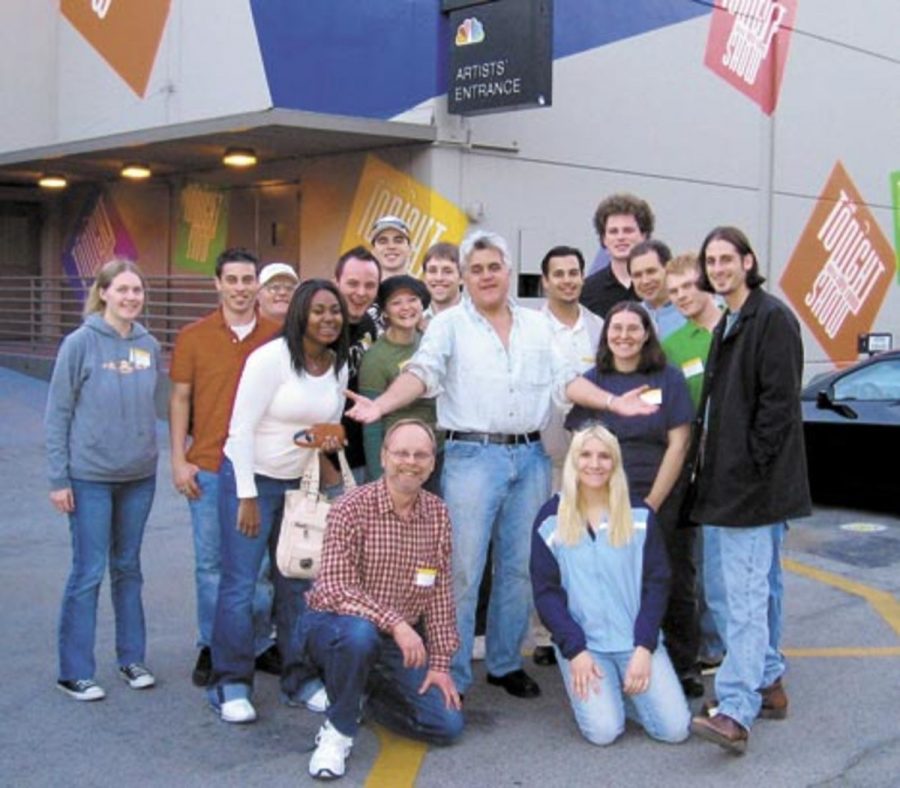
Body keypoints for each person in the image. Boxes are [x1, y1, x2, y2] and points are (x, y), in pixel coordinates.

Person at [346, 230, 658, 701]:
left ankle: (505, 662)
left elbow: (567, 381)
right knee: (464, 569)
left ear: (509, 272)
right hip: (473, 457)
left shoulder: (538, 326)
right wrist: (380, 406)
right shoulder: (449, 325)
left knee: (520, 569)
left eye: (494, 267)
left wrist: (614, 402)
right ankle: (450, 668)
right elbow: (422, 373)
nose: (486, 276)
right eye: (476, 269)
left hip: (531, 456)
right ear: (466, 278)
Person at [688, 227, 811, 754]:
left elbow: (778, 407)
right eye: (710, 261)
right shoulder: (730, 321)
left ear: (748, 261)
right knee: (750, 590)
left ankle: (736, 710)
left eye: (725, 259)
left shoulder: (772, 318)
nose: (718, 268)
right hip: (724, 484)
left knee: (742, 598)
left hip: (750, 489)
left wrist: (750, 472)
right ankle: (769, 681)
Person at [207, 279, 350, 724]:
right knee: (241, 586)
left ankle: (301, 680)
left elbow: (318, 434)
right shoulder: (270, 359)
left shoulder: (338, 364)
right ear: (300, 314)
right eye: (318, 310)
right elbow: (240, 430)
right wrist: (246, 497)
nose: (328, 319)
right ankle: (229, 682)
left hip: (297, 486)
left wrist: (331, 479)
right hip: (249, 480)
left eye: (335, 311)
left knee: (298, 586)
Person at [300, 419, 464, 780]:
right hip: (335, 625)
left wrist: (439, 664)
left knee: (447, 725)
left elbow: (439, 594)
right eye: (401, 453)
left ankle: (362, 693)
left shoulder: (437, 515)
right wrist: (397, 623)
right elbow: (336, 587)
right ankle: (338, 731)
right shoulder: (351, 507)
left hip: (394, 641)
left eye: (421, 454)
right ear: (383, 457)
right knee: (360, 635)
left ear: (432, 464)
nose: (411, 461)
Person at [566, 301, 700, 697]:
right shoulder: (595, 381)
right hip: (605, 499)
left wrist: (652, 504)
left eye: (632, 328)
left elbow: (680, 443)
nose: (623, 336)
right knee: (613, 581)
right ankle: (617, 659)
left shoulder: (669, 379)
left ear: (646, 334)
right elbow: (581, 443)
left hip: (661, 494)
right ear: (605, 335)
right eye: (615, 328)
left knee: (672, 578)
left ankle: (683, 664)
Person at [530, 426, 690, 746]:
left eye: (604, 456)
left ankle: (628, 687)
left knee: (675, 730)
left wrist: (644, 647)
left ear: (615, 464)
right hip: (585, 647)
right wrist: (574, 650)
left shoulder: (640, 515)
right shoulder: (550, 517)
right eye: (585, 455)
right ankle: (611, 691)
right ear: (573, 461)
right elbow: (546, 593)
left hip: (635, 642)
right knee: (603, 732)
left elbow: (657, 583)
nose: (594, 464)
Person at [45, 259, 160, 701]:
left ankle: (131, 659)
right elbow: (57, 413)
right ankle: (74, 670)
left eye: (137, 290)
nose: (132, 297)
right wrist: (59, 478)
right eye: (123, 290)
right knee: (89, 572)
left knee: (128, 569)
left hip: (138, 477)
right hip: (89, 477)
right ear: (105, 292)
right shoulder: (79, 344)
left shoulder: (148, 344)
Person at [169, 247, 281, 688]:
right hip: (210, 467)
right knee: (212, 565)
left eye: (247, 279)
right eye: (231, 280)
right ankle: (213, 646)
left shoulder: (276, 336)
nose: (240, 288)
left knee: (257, 568)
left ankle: (256, 643)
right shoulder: (194, 336)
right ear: (217, 284)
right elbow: (179, 399)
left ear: (258, 285)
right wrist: (179, 459)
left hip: (261, 469)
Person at [534, 244, 604, 667]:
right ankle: (544, 633)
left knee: (587, 543)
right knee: (548, 544)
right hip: (546, 452)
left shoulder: (598, 327)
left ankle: (584, 625)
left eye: (573, 272)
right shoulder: (531, 328)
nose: (567, 280)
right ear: (545, 281)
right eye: (557, 273)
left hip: (591, 458)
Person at [662, 252, 725, 670]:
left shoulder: (738, 329)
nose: (683, 296)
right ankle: (703, 642)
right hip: (690, 466)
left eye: (689, 286)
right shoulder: (673, 344)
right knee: (695, 562)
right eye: (674, 291)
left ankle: (726, 646)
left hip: (733, 466)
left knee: (728, 567)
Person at [358, 275, 437, 484]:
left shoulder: (430, 345)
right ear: (385, 311)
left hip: (437, 455)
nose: (406, 307)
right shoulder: (375, 358)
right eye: (396, 302)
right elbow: (372, 426)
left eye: (412, 299)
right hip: (400, 461)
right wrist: (379, 477)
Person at [334, 246, 381, 485]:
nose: (361, 292)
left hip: (362, 459)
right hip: (325, 464)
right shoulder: (320, 328)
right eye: (352, 283)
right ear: (337, 282)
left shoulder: (369, 327)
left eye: (370, 285)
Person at [580, 193, 651, 318]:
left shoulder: (661, 287)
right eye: (613, 231)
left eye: (628, 230)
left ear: (644, 235)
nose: (620, 237)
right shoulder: (586, 291)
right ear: (603, 239)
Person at [627, 240, 685, 340]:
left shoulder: (691, 311)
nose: (645, 281)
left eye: (651, 271)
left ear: (669, 269)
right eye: (637, 275)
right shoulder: (628, 317)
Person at [422, 242, 462, 322]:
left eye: (447, 271)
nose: (439, 278)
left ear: (462, 278)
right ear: (424, 277)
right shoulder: (414, 324)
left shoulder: (478, 320)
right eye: (432, 271)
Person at [370, 215, 414, 279]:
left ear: (409, 249)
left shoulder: (422, 288)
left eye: (398, 241)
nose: (391, 246)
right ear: (373, 251)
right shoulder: (363, 288)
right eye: (383, 241)